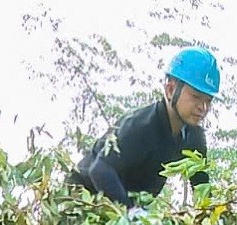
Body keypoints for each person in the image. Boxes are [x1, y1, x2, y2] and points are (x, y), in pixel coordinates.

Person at [68, 46, 219, 212]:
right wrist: (130, 213)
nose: (202, 107)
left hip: (127, 209)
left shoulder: (194, 138)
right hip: (82, 200)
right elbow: (100, 169)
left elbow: (201, 186)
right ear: (170, 90)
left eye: (208, 100)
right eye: (196, 97)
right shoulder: (141, 126)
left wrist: (213, 219)